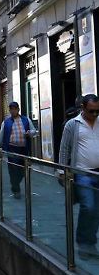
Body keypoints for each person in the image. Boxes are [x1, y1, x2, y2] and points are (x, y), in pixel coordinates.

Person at [59, 94, 99, 259]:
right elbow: (64, 149)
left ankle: (90, 242)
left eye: (98, 111)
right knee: (88, 206)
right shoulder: (72, 124)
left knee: (96, 210)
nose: (95, 115)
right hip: (82, 173)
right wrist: (62, 171)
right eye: (92, 111)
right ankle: (83, 242)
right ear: (83, 108)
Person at [0, 101, 37, 199]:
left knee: (23, 170)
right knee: (13, 170)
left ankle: (15, 185)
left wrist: (29, 133)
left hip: (24, 149)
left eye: (14, 109)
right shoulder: (6, 122)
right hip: (11, 149)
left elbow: (34, 131)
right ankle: (16, 189)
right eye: (11, 109)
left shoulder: (26, 120)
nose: (13, 111)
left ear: (18, 109)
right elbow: (1, 136)